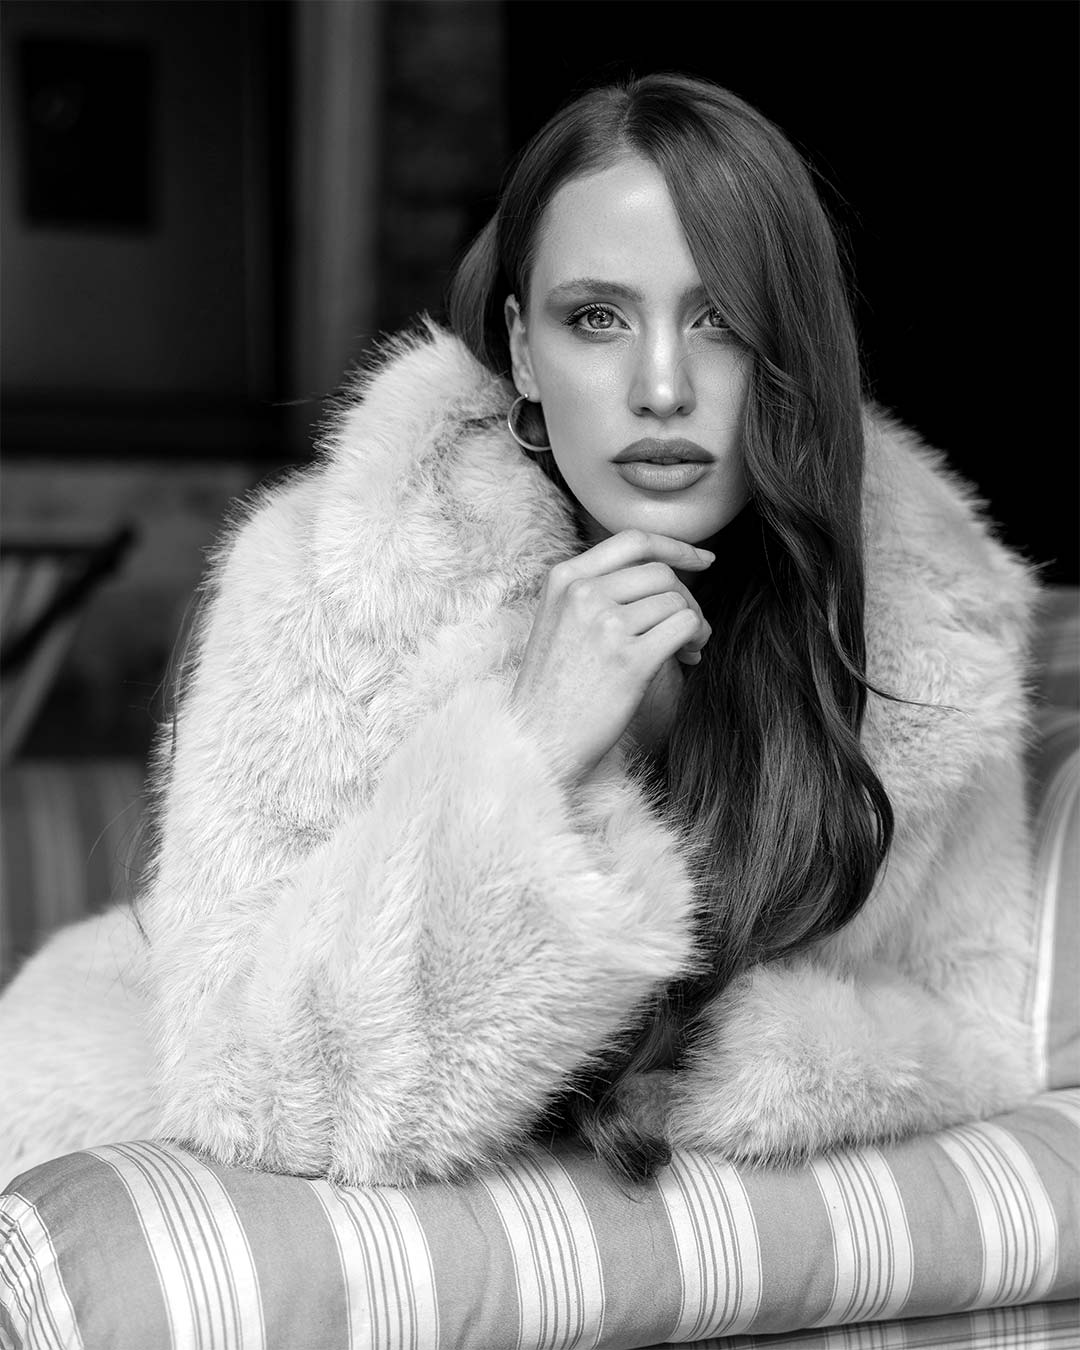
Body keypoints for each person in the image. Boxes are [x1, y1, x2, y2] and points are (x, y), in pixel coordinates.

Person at [0, 72, 1041, 1188]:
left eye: (721, 321)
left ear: (792, 352)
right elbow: (262, 1098)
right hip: (103, 1126)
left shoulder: (926, 633)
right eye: (596, 318)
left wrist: (733, 1073)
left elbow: (967, 1029)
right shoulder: (336, 581)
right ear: (524, 351)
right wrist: (533, 746)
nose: (661, 387)